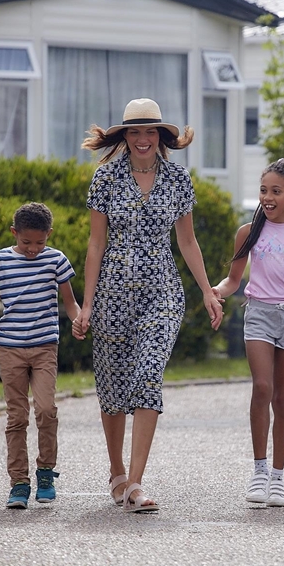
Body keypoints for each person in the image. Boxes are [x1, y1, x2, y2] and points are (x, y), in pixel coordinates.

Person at [72, 97, 223, 513]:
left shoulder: (178, 180)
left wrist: (208, 290)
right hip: (112, 294)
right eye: (134, 132)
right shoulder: (104, 180)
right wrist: (86, 305)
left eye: (150, 131)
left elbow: (187, 242)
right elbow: (95, 244)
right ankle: (117, 473)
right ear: (124, 137)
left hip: (161, 293)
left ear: (161, 136)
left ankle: (136, 483)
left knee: (148, 375)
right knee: (113, 386)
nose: (142, 139)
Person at [212, 158, 284, 507]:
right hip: (259, 313)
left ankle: (278, 478)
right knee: (263, 387)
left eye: (276, 191)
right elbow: (233, 281)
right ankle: (259, 471)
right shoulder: (248, 232)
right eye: (263, 190)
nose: (268, 197)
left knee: (283, 397)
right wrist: (214, 293)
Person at [0, 202, 82, 509]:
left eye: (40, 242)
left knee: (47, 409)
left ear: (49, 235)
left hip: (44, 346)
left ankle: (46, 472)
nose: (34, 249)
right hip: (9, 347)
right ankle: (19, 483)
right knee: (17, 416)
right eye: (26, 242)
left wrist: (79, 319)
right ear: (15, 233)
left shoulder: (56, 260)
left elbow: (69, 301)